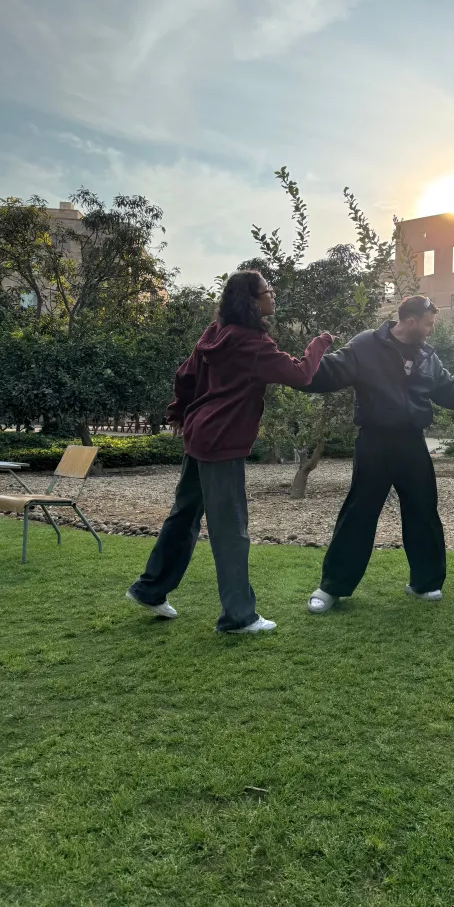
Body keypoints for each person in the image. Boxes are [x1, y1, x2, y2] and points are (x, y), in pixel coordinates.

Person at [126, 270, 333, 634]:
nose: (273, 295)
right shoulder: (251, 343)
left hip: (200, 434)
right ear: (253, 301)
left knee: (184, 516)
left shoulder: (215, 333)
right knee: (230, 529)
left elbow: (185, 374)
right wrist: (320, 343)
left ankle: (150, 588)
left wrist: (182, 413)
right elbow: (301, 375)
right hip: (221, 442)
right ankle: (239, 617)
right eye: (269, 290)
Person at [300, 295, 454, 614]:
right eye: (429, 323)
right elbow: (329, 372)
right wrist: (297, 370)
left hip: (412, 442)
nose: (432, 329)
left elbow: (451, 390)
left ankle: (426, 583)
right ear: (411, 321)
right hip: (374, 442)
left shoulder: (427, 357)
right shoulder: (366, 345)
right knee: (359, 513)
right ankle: (331, 588)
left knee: (423, 512)